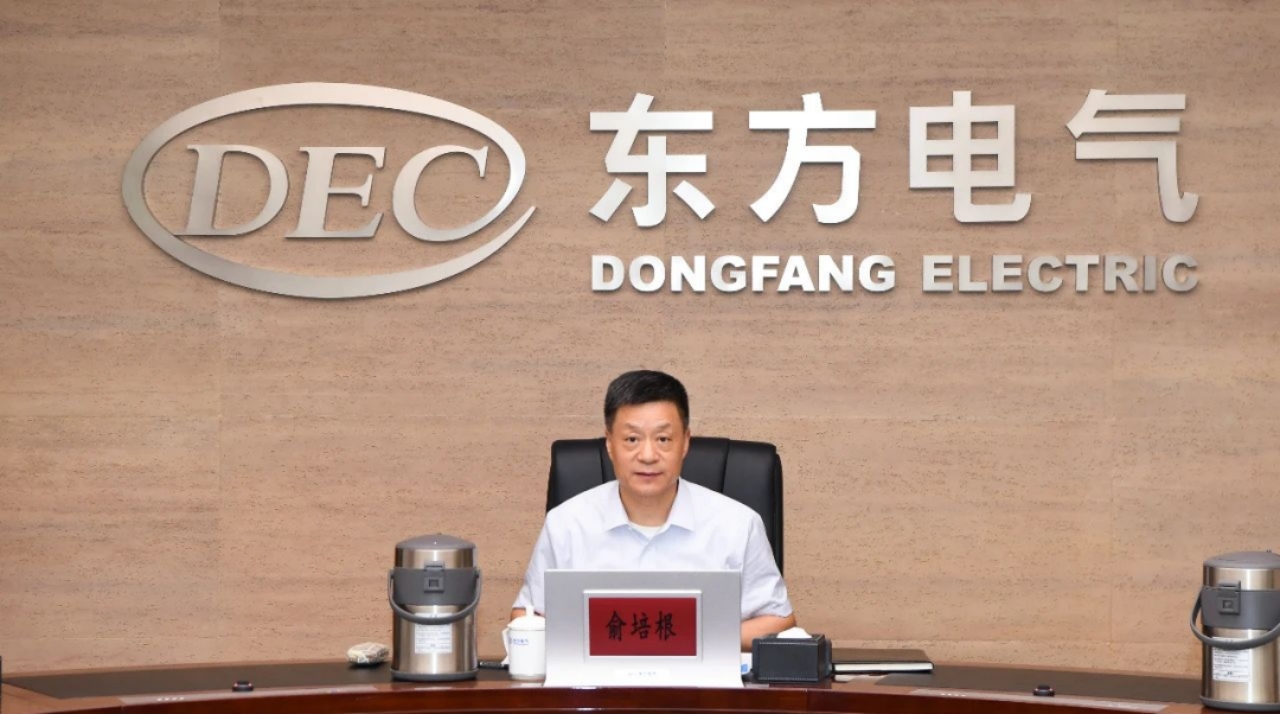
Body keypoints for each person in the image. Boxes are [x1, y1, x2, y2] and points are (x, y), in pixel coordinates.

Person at [511, 369, 796, 649]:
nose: (648, 456)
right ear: (609, 443)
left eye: (663, 439)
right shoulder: (566, 523)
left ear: (685, 443)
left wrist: (684, 639)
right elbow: (527, 615)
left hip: (700, 679)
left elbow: (778, 619)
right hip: (595, 679)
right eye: (632, 439)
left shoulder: (738, 524)